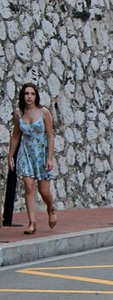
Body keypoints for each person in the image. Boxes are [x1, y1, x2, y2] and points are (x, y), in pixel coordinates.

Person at [7, 82, 57, 234]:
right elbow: (16, 136)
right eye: (26, 94)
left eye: (32, 94)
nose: (29, 96)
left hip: (41, 154)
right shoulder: (19, 113)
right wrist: (10, 156)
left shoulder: (44, 112)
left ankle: (51, 208)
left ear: (36, 96)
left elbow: (50, 135)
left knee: (44, 191)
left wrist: (49, 158)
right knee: (28, 187)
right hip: (26, 154)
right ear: (22, 96)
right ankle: (32, 223)